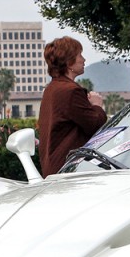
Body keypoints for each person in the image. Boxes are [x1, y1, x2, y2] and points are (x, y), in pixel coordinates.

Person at [37, 36, 107, 175]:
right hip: (70, 168)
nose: (83, 59)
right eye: (79, 55)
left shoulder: (52, 89)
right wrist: (96, 105)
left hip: (53, 167)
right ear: (69, 62)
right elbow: (95, 124)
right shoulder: (70, 91)